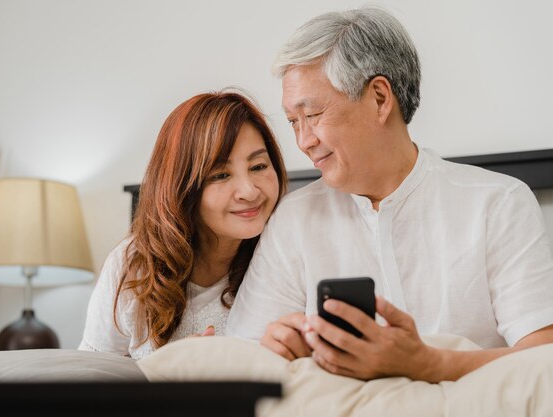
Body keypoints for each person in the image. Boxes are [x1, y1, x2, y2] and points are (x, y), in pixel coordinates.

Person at [226, 7, 553, 382]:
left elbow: (543, 357)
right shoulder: (293, 219)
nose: (303, 141)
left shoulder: (498, 204)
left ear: (380, 99)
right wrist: (280, 349)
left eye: (312, 114)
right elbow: (245, 359)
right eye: (293, 122)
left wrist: (430, 365)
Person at [79, 91, 287, 359]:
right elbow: (92, 378)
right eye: (221, 175)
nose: (248, 191)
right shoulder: (133, 265)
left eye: (258, 166)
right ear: (181, 187)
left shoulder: (289, 250)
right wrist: (168, 372)